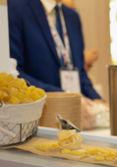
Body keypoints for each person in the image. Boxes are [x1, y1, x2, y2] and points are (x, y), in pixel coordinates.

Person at [8, 0, 105, 129]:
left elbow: (80, 72)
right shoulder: (15, 9)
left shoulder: (72, 16)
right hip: (39, 123)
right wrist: (65, 97)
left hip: (79, 120)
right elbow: (14, 74)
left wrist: (97, 100)